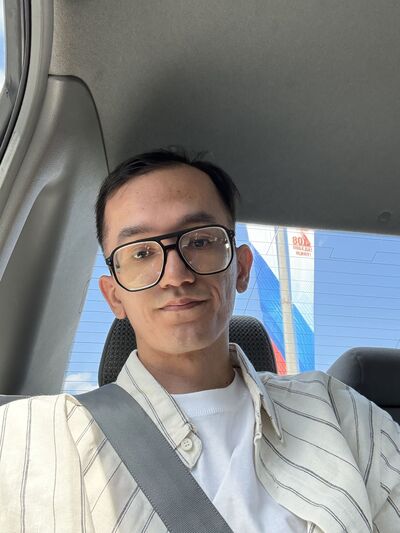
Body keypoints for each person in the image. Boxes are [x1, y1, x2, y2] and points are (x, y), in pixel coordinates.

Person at [0, 148, 399, 533]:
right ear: (114, 295)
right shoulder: (31, 435)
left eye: (201, 241)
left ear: (241, 269)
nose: (175, 275)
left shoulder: (339, 413)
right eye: (141, 253)